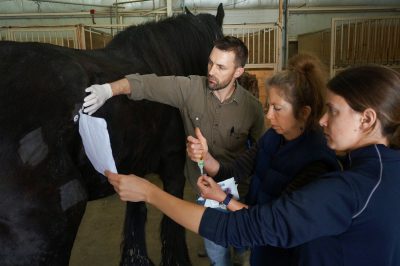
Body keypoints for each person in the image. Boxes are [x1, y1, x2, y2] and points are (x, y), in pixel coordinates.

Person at [106, 64, 400, 266]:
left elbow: (254, 226)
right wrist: (208, 160)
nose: (324, 120)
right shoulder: (276, 140)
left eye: (333, 112)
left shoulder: (337, 180)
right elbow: (234, 170)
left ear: (367, 119)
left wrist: (149, 193)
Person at [83, 36, 265, 266]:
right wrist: (108, 90)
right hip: (207, 194)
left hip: (241, 192)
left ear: (238, 72)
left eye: (220, 67)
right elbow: (149, 85)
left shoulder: (254, 109)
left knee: (244, 251)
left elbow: (262, 155)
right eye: (210, 63)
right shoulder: (191, 89)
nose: (211, 71)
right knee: (217, 254)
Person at [187, 54, 340, 266]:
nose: (268, 116)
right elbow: (234, 170)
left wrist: (223, 198)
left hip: (288, 254)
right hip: (261, 244)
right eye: (268, 106)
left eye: (277, 109)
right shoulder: (273, 137)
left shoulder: (317, 163)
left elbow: (273, 221)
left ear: (304, 113)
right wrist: (206, 156)